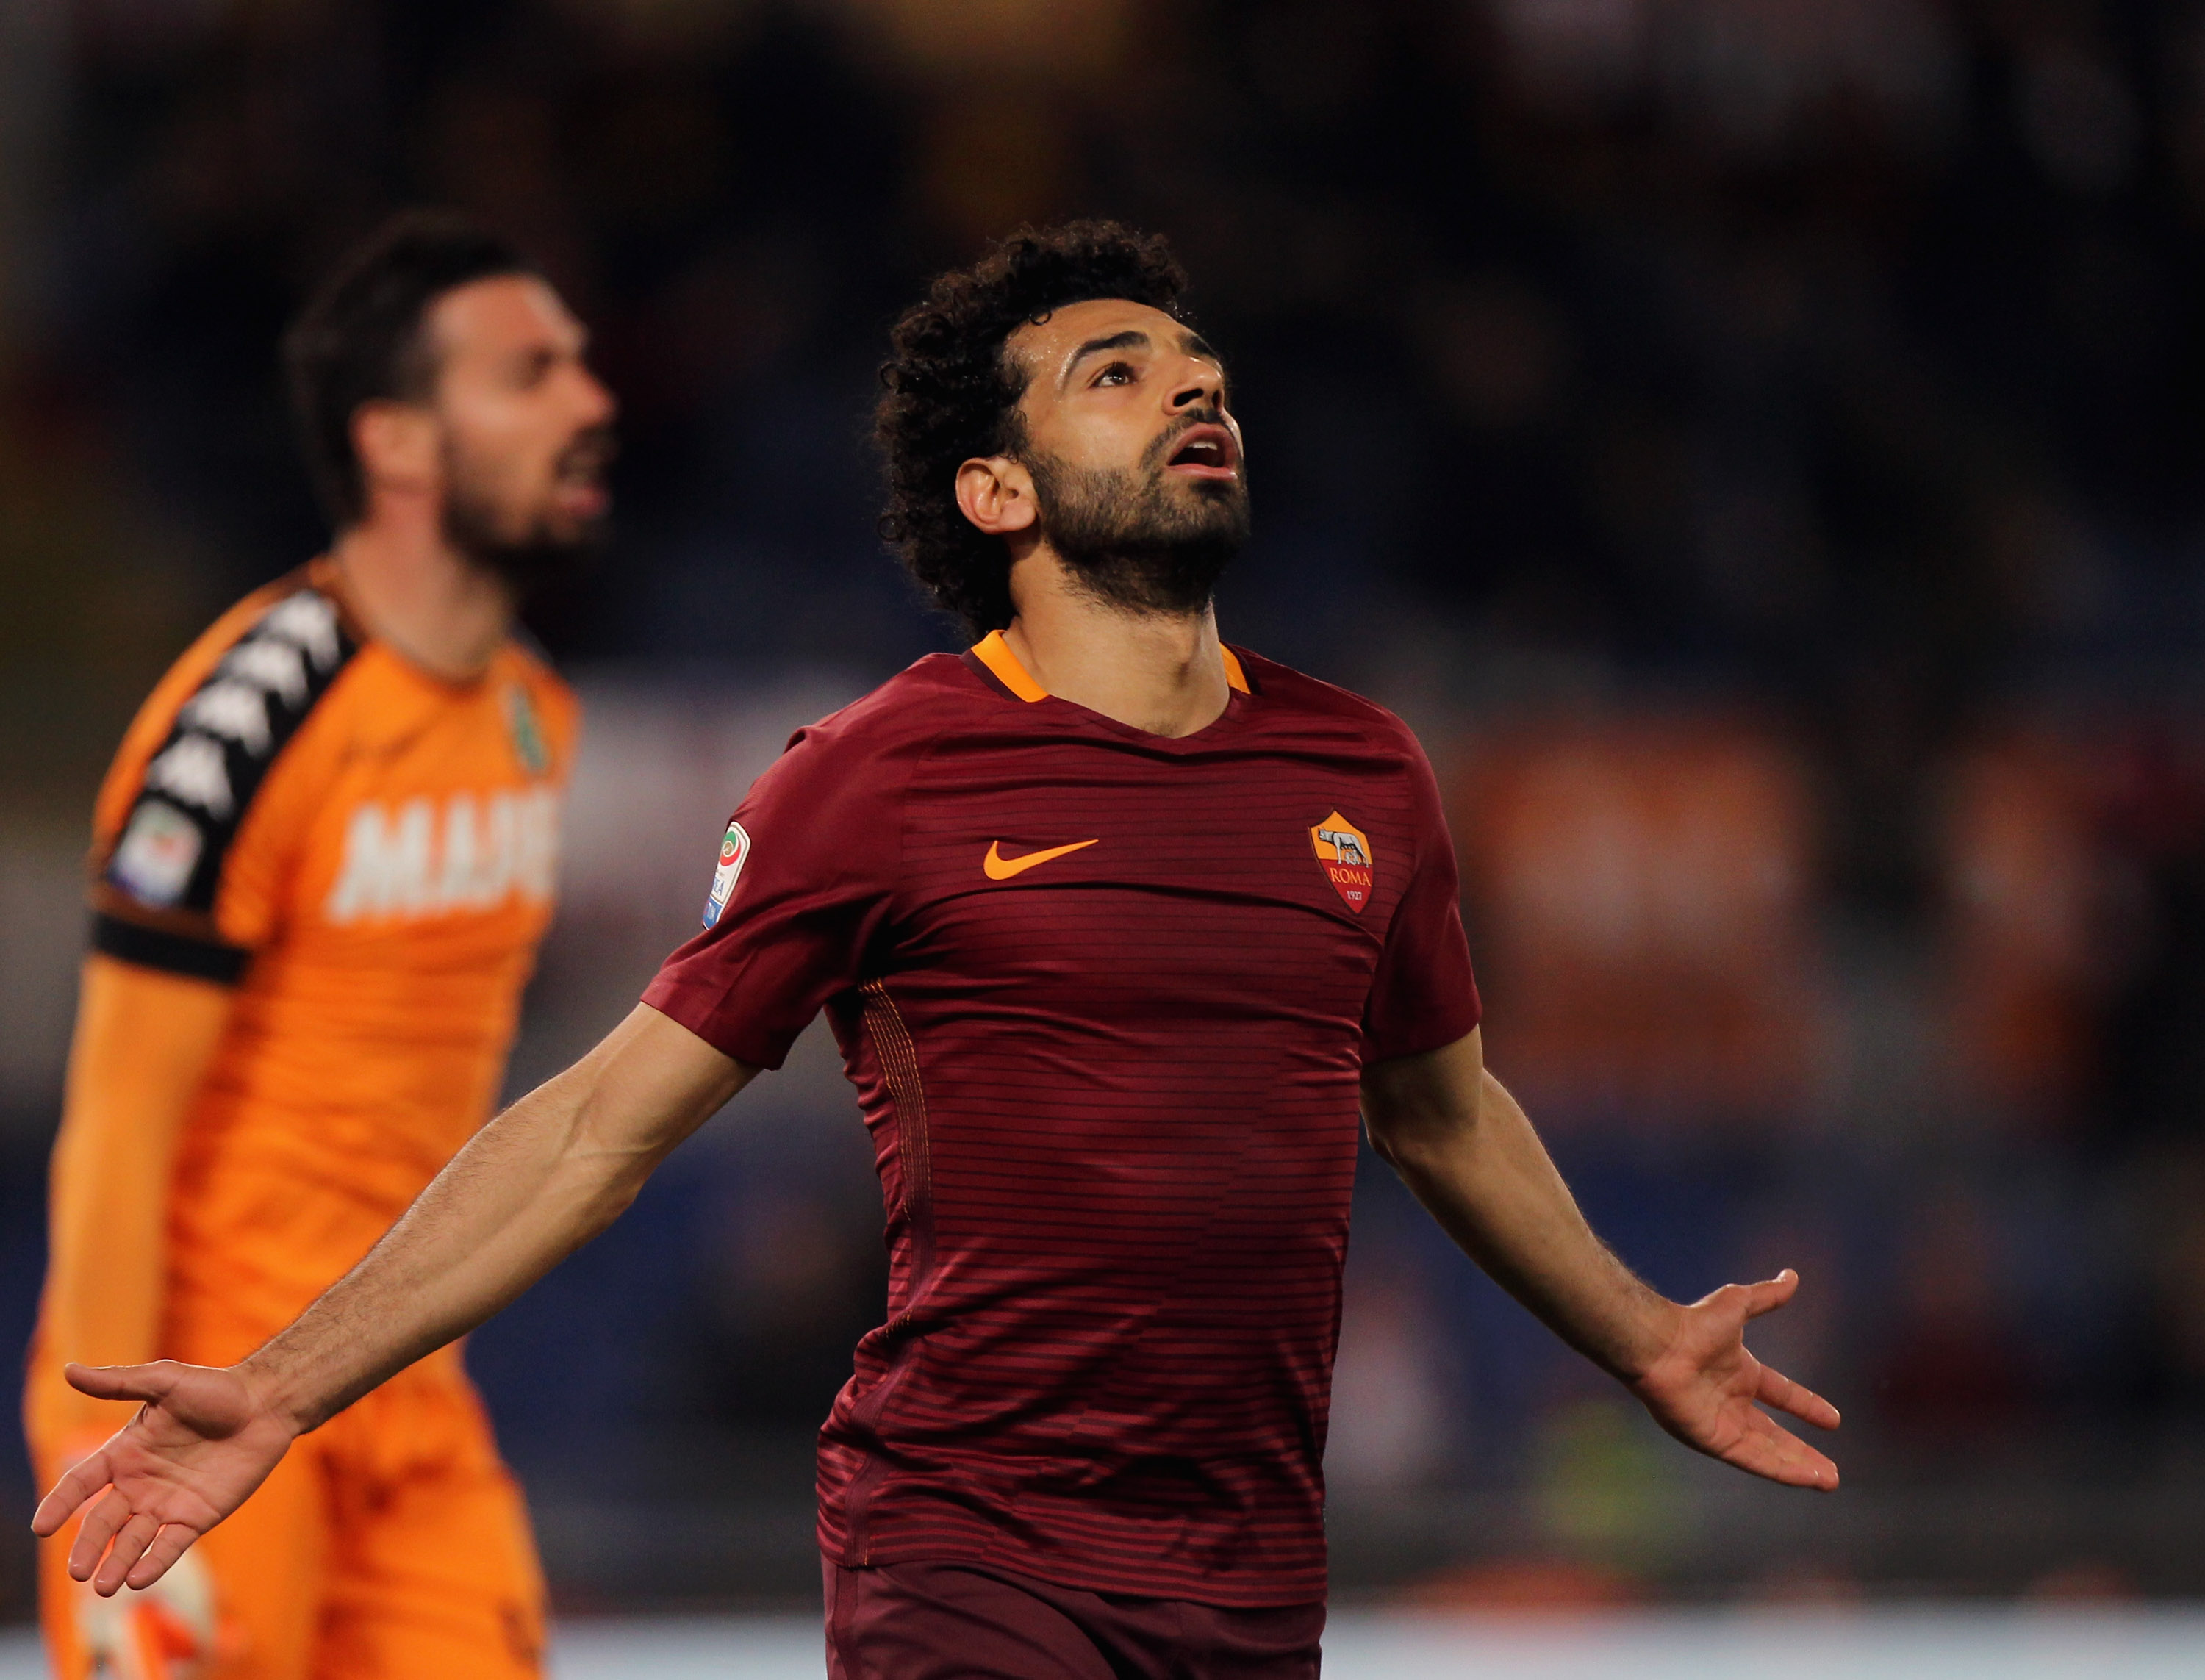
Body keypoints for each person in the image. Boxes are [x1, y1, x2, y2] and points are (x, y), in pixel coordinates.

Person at [34, 222, 1835, 1679]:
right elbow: (601, 1129)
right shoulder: (882, 775)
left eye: (1197, 374)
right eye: (1113, 376)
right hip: (967, 1561)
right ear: (998, 493)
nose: (1191, 393)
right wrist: (278, 1384)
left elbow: (1444, 1120)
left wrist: (1642, 1342)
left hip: (1258, 1578)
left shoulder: (1366, 768)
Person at [24, 209, 615, 1680]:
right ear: (400, 443)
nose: (591, 402)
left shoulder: (537, 715)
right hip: (199, 1400)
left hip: (406, 1395)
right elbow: (115, 1122)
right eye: (530, 372)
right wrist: (108, 1462)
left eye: (581, 366)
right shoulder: (250, 716)